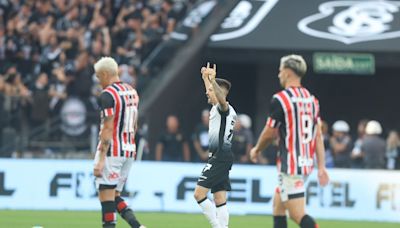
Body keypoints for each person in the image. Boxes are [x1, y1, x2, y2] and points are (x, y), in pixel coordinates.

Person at [250, 55, 329, 228]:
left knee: (297, 214)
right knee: (278, 206)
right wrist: (321, 166)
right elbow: (318, 136)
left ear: (287, 72)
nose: (279, 74)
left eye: (280, 71)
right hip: (306, 164)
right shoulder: (312, 100)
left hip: (291, 166)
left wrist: (256, 149)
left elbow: (270, 133)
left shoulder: (281, 99)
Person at [92, 57, 145, 228]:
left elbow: (107, 129)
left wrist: (100, 160)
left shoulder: (108, 95)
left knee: (106, 198)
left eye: (99, 77)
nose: (99, 81)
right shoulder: (132, 91)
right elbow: (135, 125)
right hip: (129, 150)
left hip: (112, 151)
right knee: (114, 195)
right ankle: (138, 226)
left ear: (106, 74)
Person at [193, 63, 237, 228]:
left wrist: (212, 81)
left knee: (198, 194)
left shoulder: (223, 108)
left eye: (211, 90)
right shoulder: (218, 108)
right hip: (223, 157)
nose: (207, 92)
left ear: (220, 93)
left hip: (219, 158)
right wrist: (206, 79)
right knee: (220, 199)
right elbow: (214, 95)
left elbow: (220, 99)